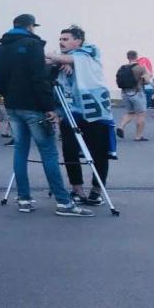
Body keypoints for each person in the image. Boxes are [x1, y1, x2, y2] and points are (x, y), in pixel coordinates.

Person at [0, 14, 92, 217]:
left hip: (13, 106)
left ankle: (24, 198)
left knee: (20, 150)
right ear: (30, 27)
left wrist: (9, 95)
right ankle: (64, 202)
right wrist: (49, 108)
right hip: (34, 106)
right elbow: (39, 78)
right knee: (49, 153)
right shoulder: (32, 45)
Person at [46, 25, 112, 206]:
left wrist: (60, 59)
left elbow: (59, 58)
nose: (61, 42)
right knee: (69, 151)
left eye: (65, 39)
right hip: (70, 111)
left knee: (99, 152)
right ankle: (77, 190)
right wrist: (61, 61)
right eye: (60, 39)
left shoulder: (91, 50)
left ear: (78, 41)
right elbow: (50, 67)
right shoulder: (65, 60)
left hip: (95, 111)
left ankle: (97, 191)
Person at [116, 50, 149, 141]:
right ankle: (138, 136)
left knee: (130, 113)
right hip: (137, 93)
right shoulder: (141, 68)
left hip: (125, 93)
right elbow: (147, 81)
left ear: (128, 57)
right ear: (136, 57)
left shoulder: (122, 68)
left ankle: (121, 127)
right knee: (141, 114)